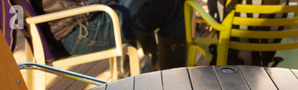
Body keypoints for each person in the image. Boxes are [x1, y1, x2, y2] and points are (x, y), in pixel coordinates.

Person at [29, 0, 187, 70]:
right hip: (78, 30)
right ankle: (172, 84)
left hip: (63, 25)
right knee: (175, 5)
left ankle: (150, 64)